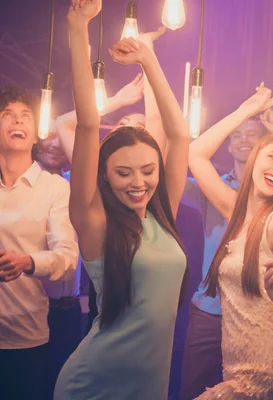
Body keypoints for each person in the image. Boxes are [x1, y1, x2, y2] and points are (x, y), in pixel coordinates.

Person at [54, 0, 189, 398]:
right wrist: (79, 28)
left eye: (148, 171)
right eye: (123, 172)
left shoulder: (163, 215)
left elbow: (180, 135)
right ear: (105, 176)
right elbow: (88, 123)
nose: (138, 183)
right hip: (93, 383)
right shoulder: (95, 220)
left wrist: (149, 61)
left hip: (149, 385)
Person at [188, 83, 273, 399]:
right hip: (237, 368)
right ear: (254, 158)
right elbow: (195, 153)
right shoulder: (233, 207)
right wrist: (246, 110)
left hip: (268, 372)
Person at [0, 85, 79, 400]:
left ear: (36, 135)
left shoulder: (55, 189)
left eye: (25, 117)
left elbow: (68, 257)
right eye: (7, 115)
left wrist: (28, 262)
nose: (16, 122)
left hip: (26, 335)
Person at [35, 123, 86, 397]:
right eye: (48, 133)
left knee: (64, 386)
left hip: (70, 308)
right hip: (31, 304)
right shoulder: (19, 186)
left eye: (61, 135)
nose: (55, 143)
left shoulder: (76, 185)